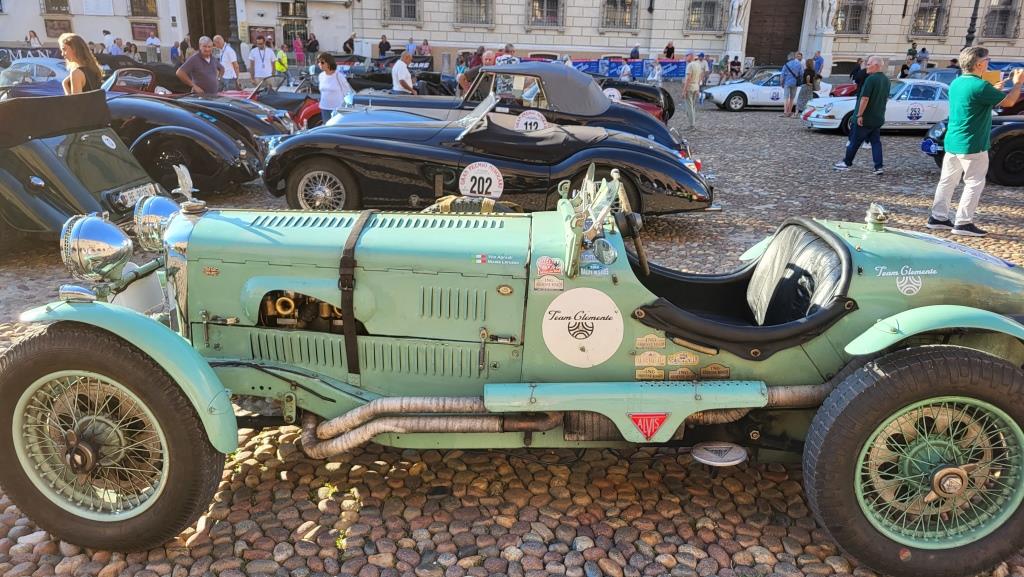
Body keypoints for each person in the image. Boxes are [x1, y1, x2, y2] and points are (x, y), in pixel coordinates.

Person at [927, 47, 1024, 237]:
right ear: (979, 64)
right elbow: (1010, 102)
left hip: (953, 140)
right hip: (972, 142)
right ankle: (963, 223)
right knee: (974, 183)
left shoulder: (957, 83)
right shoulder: (980, 86)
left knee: (947, 181)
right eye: (987, 59)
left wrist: (993, 90)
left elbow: (975, 100)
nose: (988, 62)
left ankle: (938, 217)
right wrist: (1018, 83)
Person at [833, 55, 889, 175]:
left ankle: (846, 162)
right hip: (877, 117)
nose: (866, 67)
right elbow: (885, 99)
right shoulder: (886, 80)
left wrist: (859, 115)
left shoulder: (871, 79)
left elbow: (864, 98)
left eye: (869, 64)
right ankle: (878, 166)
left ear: (876, 65)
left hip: (865, 118)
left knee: (854, 141)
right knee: (876, 143)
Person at [317, 53, 353, 122]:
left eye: (322, 62)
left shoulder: (339, 76)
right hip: (324, 108)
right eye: (318, 62)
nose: (319, 64)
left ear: (329, 63)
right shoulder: (321, 76)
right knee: (326, 127)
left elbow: (347, 92)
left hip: (337, 109)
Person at [682, 52, 703, 130]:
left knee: (689, 107)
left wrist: (684, 90)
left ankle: (692, 125)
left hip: (690, 88)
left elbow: (688, 79)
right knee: (692, 106)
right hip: (695, 87)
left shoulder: (690, 65)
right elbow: (700, 77)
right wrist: (698, 88)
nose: (685, 57)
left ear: (690, 56)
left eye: (686, 56)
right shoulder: (698, 65)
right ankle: (693, 123)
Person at [781, 51, 803, 117]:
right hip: (795, 83)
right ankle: (789, 111)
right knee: (792, 98)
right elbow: (801, 74)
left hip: (787, 83)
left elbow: (782, 76)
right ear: (794, 57)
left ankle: (785, 112)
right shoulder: (799, 64)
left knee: (786, 98)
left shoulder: (786, 65)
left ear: (789, 58)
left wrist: (782, 83)